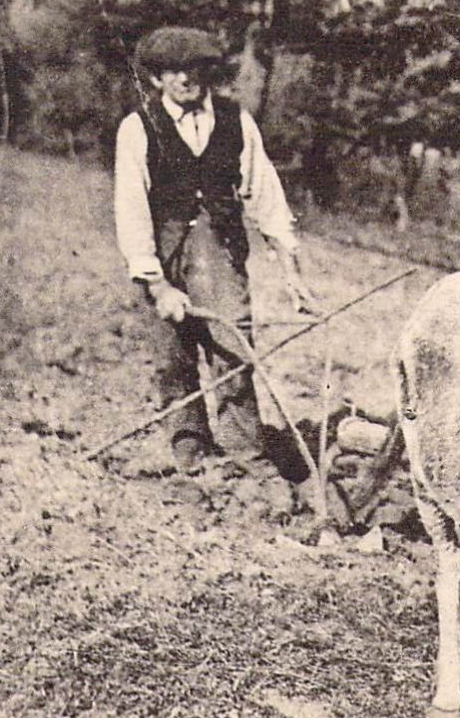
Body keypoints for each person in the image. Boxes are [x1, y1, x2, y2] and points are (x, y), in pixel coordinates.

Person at [114, 25, 315, 474]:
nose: (184, 79)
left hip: (221, 253)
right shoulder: (138, 129)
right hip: (164, 256)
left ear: (208, 72)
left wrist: (293, 274)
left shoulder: (236, 121)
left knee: (232, 347)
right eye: (173, 71)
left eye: (194, 69)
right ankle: (190, 451)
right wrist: (158, 284)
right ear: (156, 78)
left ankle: (245, 455)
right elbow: (131, 212)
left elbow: (267, 199)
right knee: (174, 356)